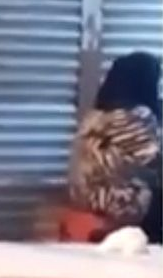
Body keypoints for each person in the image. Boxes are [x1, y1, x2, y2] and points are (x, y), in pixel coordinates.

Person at [69, 52, 162, 243]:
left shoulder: (96, 115)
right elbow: (154, 160)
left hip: (86, 197)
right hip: (117, 202)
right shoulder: (132, 116)